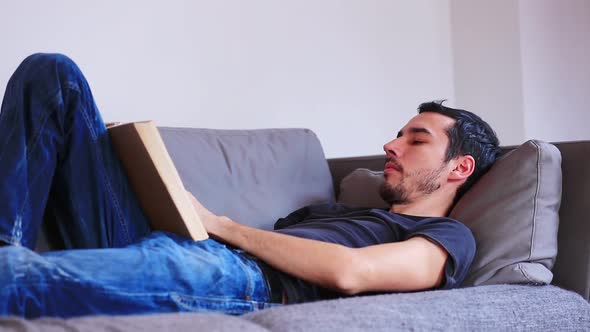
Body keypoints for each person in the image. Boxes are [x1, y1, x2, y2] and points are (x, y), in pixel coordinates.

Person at [0, 53, 500, 318]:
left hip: (238, 279)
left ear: (459, 168)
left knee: (19, 279)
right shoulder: (330, 213)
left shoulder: (446, 237)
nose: (391, 145)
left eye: (416, 139)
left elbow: (350, 273)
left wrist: (220, 224)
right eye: (397, 134)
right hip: (184, 246)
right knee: (54, 74)